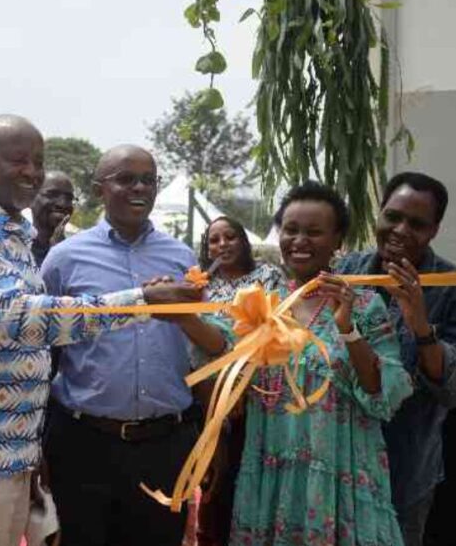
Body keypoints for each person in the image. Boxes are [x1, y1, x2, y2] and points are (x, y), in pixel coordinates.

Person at [0, 117, 201, 546]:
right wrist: (141, 301)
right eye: (17, 160)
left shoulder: (11, 234)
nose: (31, 171)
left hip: (9, 449)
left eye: (39, 161)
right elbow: (28, 320)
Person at [41, 145, 230, 546]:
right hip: (83, 444)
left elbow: (209, 346)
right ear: (98, 189)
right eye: (126, 179)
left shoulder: (181, 258)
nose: (139, 187)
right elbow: (43, 350)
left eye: (148, 179)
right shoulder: (63, 259)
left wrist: (207, 441)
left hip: (164, 446)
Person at [230, 181, 413, 546]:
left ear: (336, 240)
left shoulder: (364, 306)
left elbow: (383, 394)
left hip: (340, 471)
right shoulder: (261, 307)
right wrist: (181, 315)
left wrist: (346, 328)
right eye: (291, 229)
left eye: (314, 232)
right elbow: (227, 369)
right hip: (273, 470)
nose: (299, 240)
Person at [335, 172, 456, 546]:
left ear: (434, 231)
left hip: (404, 466)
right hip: (337, 458)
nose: (400, 230)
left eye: (416, 224)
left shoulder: (454, 288)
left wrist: (420, 324)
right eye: (393, 216)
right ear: (379, 214)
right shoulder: (345, 273)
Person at [192, 216, 281, 546]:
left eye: (230, 237)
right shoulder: (200, 285)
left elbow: (273, 333)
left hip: (256, 398)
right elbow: (193, 344)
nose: (222, 245)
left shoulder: (267, 277)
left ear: (244, 241)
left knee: (249, 479)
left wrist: (241, 382)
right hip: (207, 398)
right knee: (213, 485)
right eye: (214, 240)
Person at [30, 171, 74, 265]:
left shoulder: (75, 253)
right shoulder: (10, 245)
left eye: (69, 198)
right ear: (31, 198)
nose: (62, 203)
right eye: (52, 195)